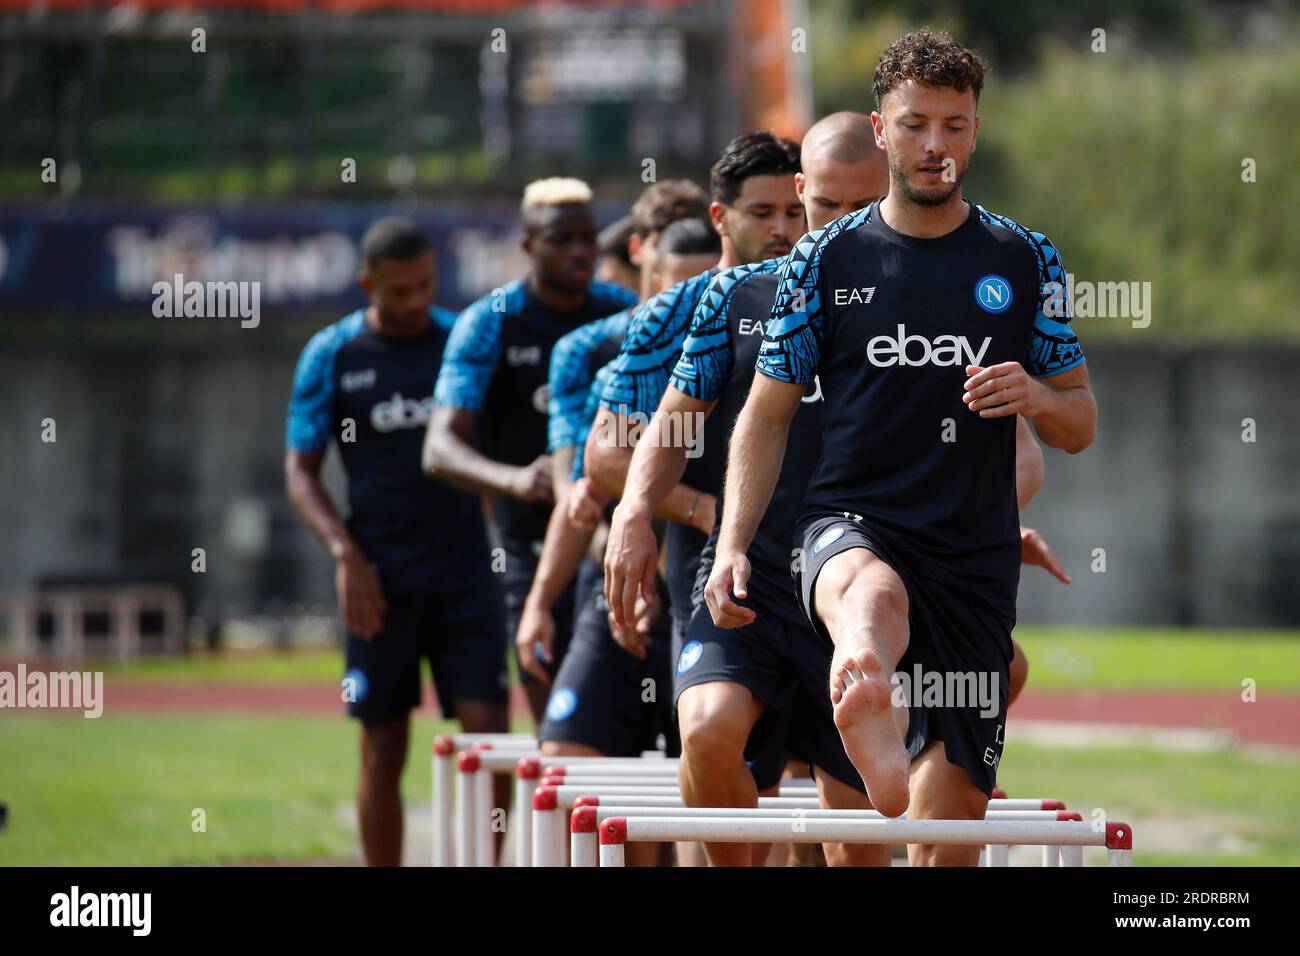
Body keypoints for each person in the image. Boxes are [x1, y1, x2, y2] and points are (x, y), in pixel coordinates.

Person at [709, 30, 1096, 866]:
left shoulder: (1024, 259)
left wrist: (1035, 393)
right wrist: (733, 544)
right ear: (882, 132)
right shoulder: (824, 257)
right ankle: (863, 678)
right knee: (870, 598)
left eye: (954, 126)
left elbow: (1079, 422)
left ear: (975, 131)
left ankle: (886, 710)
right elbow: (765, 415)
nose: (935, 146)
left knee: (947, 833)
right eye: (915, 124)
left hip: (971, 555)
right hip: (852, 524)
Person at [285, 218, 509, 866]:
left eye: (425, 286)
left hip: (467, 574)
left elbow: (493, 446)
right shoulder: (333, 354)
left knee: (490, 739)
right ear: (367, 284)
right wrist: (345, 555)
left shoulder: (461, 340)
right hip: (378, 581)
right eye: (399, 291)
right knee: (383, 744)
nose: (414, 302)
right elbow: (300, 470)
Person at [423, 178, 638, 724]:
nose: (579, 252)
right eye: (561, 239)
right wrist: (518, 480)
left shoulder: (624, 310)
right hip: (530, 552)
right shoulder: (490, 321)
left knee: (637, 730)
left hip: (621, 547)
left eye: (588, 237)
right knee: (559, 731)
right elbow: (440, 448)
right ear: (527, 245)